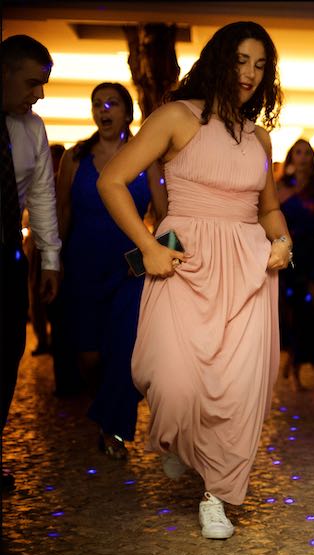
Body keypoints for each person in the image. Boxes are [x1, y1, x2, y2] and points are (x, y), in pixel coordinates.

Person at [98, 21, 291, 538]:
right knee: (174, 382)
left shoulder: (260, 138)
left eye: (260, 65)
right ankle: (183, 444)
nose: (250, 74)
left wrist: (284, 242)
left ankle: (216, 497)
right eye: (241, 61)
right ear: (219, 61)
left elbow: (268, 208)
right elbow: (111, 180)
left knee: (238, 389)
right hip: (182, 266)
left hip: (248, 272)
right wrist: (148, 247)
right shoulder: (175, 118)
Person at [55, 82, 167, 460]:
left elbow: (165, 216)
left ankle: (113, 428)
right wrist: (50, 265)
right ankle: (104, 408)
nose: (104, 110)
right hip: (82, 265)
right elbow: (63, 215)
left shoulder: (147, 158)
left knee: (124, 351)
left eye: (112, 103)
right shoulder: (74, 158)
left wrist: (167, 259)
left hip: (129, 270)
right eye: (97, 104)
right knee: (88, 356)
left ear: (127, 112)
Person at [1, 35, 62, 494]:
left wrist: (50, 260)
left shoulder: (32, 129)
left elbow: (41, 195)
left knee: (6, 356)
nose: (38, 94)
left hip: (7, 259)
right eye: (32, 83)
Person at [276, 138, 314, 390]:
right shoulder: (281, 188)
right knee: (293, 311)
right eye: (297, 152)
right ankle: (294, 365)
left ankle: (309, 363)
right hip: (290, 256)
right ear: (290, 157)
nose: (302, 157)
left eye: (307, 153)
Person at [25, 142, 64, 357]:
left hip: (56, 244)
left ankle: (53, 339)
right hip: (37, 245)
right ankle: (42, 337)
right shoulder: (40, 180)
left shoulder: (63, 182)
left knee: (52, 295)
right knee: (35, 292)